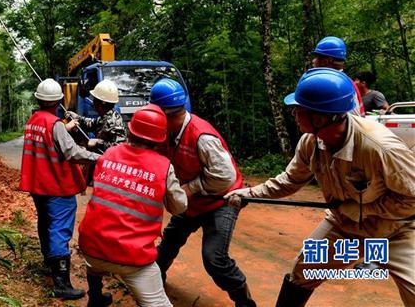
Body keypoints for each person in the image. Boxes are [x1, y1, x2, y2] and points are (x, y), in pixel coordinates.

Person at [226, 68, 415, 306]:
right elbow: (290, 179)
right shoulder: (311, 142)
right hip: (342, 226)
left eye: (299, 109)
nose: (294, 114)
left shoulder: (380, 149)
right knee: (301, 274)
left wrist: (358, 208)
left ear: (322, 117)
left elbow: (411, 200)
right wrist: (251, 193)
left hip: (395, 232)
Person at [149, 78, 257, 307]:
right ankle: (153, 285)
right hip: (192, 200)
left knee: (214, 259)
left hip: (221, 200)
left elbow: (225, 177)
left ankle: (244, 301)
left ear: (165, 114)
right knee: (169, 241)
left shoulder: (202, 136)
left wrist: (190, 188)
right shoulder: (166, 133)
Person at [78, 104, 188, 307]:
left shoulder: (108, 155)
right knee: (158, 303)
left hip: (91, 247)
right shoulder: (163, 167)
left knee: (94, 263)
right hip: (132, 257)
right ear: (160, 139)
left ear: (130, 130)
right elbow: (179, 207)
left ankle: (95, 297)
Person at [19, 78, 100, 300]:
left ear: (38, 99)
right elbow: (72, 153)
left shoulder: (33, 120)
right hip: (56, 186)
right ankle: (61, 283)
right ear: (59, 102)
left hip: (38, 185)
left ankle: (49, 261)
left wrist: (67, 130)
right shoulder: (55, 125)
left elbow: (51, 142)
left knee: (45, 222)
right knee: (60, 229)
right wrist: (97, 157)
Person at [66, 79, 127, 151]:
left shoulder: (114, 122)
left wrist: (98, 142)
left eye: (95, 99)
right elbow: (92, 123)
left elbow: (119, 147)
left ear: (102, 102)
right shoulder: (106, 117)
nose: (93, 102)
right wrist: (77, 117)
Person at [311, 36, 365, 116]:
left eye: (316, 57)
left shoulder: (333, 84)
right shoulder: (344, 81)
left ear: (325, 61)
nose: (313, 61)